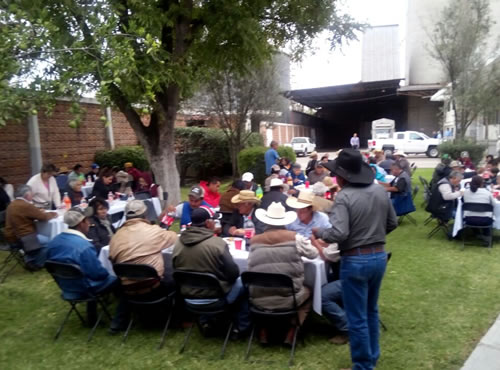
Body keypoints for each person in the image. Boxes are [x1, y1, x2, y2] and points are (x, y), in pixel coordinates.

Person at [313, 149, 398, 370]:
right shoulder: (380, 191)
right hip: (379, 256)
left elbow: (339, 233)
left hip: (356, 260)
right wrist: (372, 237)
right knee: (371, 310)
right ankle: (371, 358)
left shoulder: (344, 196)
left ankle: (363, 366)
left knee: (357, 316)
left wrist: (320, 232)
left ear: (342, 177)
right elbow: (392, 223)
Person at [172, 207, 249, 335]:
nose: (215, 224)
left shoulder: (178, 243)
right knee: (244, 281)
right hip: (216, 298)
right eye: (214, 221)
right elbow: (233, 274)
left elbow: (175, 269)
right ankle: (241, 327)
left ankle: (205, 320)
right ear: (208, 223)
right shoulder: (217, 244)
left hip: (188, 297)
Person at [249, 202, 318, 344]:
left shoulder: (254, 241)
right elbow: (313, 254)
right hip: (289, 297)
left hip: (258, 298)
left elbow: (250, 267)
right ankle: (292, 329)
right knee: (310, 291)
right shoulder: (295, 238)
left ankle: (263, 329)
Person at [46, 206, 118, 325]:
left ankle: (93, 316)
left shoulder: (53, 242)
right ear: (81, 223)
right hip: (85, 288)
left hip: (66, 287)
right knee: (116, 278)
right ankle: (121, 315)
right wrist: (108, 272)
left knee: (86, 275)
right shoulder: (84, 246)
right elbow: (98, 274)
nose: (89, 223)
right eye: (87, 220)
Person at [109, 200, 177, 284]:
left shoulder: (115, 237)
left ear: (126, 217)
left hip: (126, 289)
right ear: (145, 215)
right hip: (153, 287)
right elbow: (174, 237)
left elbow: (112, 260)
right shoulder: (154, 231)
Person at [4, 185, 58, 269]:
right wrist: (54, 213)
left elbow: (30, 214)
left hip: (12, 236)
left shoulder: (12, 204)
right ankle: (38, 263)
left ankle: (30, 258)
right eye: (31, 194)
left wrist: (38, 211)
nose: (32, 196)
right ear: (27, 195)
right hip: (24, 237)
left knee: (42, 239)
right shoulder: (25, 205)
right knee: (51, 240)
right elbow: (43, 217)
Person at [463, 176, 495, 240]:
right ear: (481, 183)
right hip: (485, 220)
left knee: (475, 215)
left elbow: (463, 202)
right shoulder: (487, 192)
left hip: (469, 220)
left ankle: (477, 233)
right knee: (486, 216)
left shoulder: (465, 192)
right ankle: (486, 235)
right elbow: (493, 204)